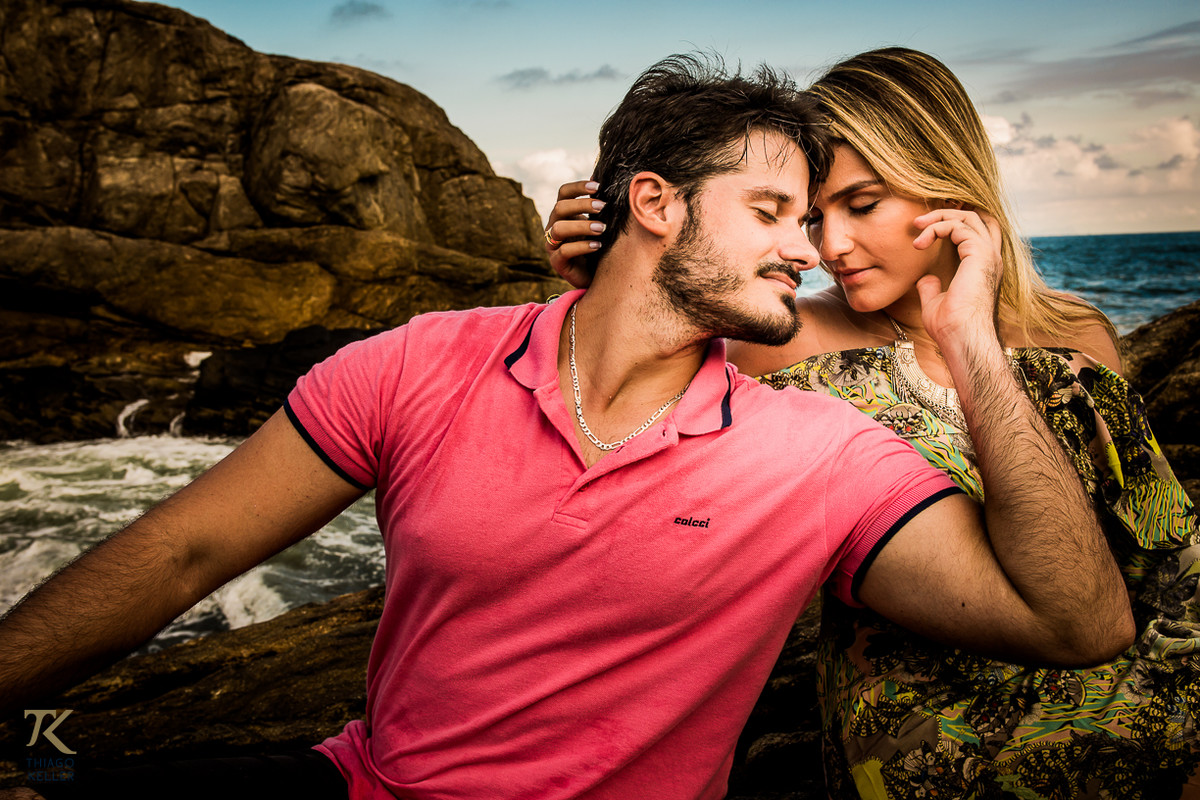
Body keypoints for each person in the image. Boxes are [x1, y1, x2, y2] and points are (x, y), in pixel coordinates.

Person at [0, 54, 1132, 800]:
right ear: (653, 202)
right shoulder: (425, 360)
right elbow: (178, 550)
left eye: (844, 209)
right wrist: (607, 282)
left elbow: (1092, 613)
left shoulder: (818, 445)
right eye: (785, 212)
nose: (817, 248)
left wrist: (970, 334)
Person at [544, 47, 1199, 800]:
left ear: (950, 181)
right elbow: (612, 397)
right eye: (815, 217)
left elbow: (1157, 554)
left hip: (1132, 719)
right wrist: (610, 265)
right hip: (919, 757)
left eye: (863, 204)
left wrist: (971, 341)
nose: (830, 249)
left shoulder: (1077, 335)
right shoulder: (780, 336)